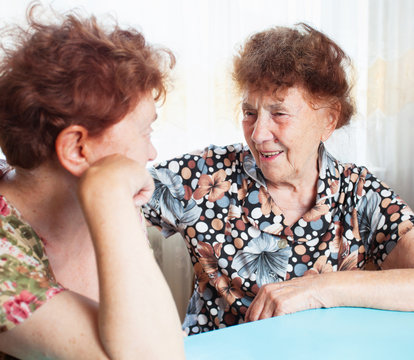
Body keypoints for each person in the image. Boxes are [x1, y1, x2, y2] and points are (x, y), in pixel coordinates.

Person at [143, 23, 414, 335]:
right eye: (249, 113)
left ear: (329, 119)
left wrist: (321, 289)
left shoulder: (360, 193)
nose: (258, 135)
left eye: (279, 114)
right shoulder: (206, 175)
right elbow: (110, 198)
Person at [0, 4, 185, 360]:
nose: (152, 151)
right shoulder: (108, 192)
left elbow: (151, 332)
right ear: (77, 149)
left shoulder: (98, 198)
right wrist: (109, 192)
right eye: (145, 131)